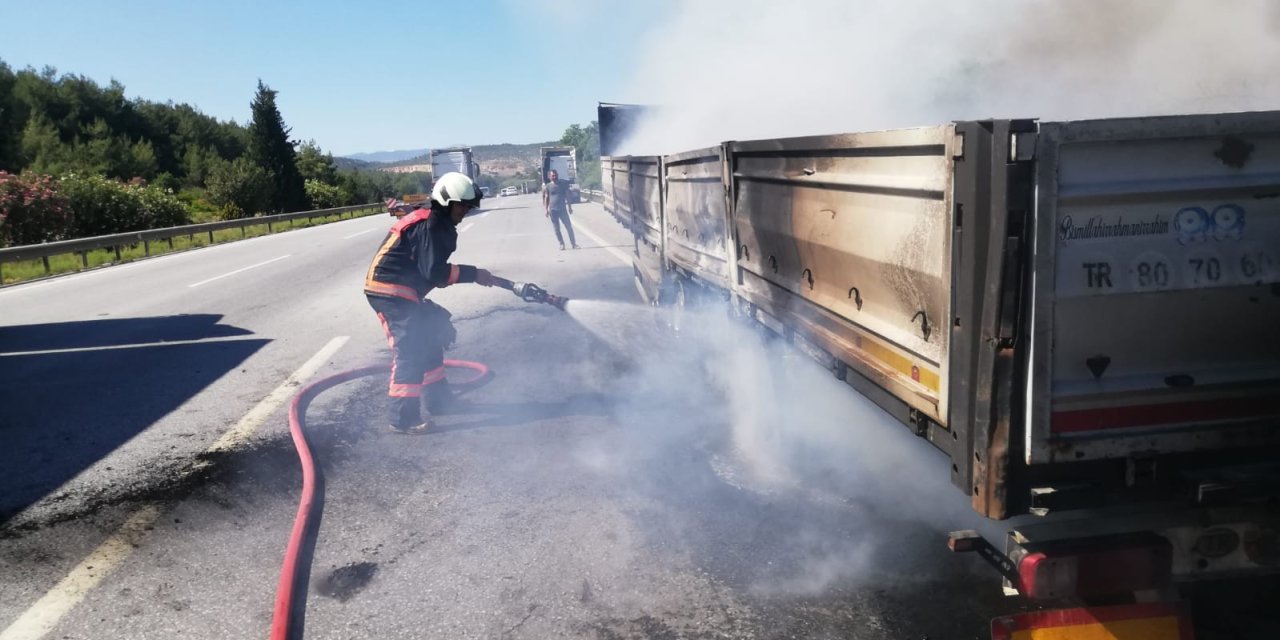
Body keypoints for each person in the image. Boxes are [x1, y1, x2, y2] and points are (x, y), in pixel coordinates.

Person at [364, 172, 498, 434]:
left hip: (405, 290)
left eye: (469, 207)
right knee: (411, 349)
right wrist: (473, 274)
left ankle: (440, 401)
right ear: (446, 202)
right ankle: (402, 418)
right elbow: (434, 273)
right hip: (389, 291)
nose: (466, 211)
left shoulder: (435, 220)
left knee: (431, 336)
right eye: (462, 206)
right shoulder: (431, 225)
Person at [542, 169, 579, 250]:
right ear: (549, 177)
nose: (554, 177)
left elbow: (567, 196)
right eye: (552, 176)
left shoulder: (562, 184)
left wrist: (569, 207)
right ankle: (561, 244)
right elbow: (546, 198)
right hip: (553, 210)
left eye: (555, 175)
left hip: (562, 209)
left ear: (557, 175)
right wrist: (546, 210)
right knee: (557, 228)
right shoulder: (548, 186)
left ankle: (574, 244)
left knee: (569, 227)